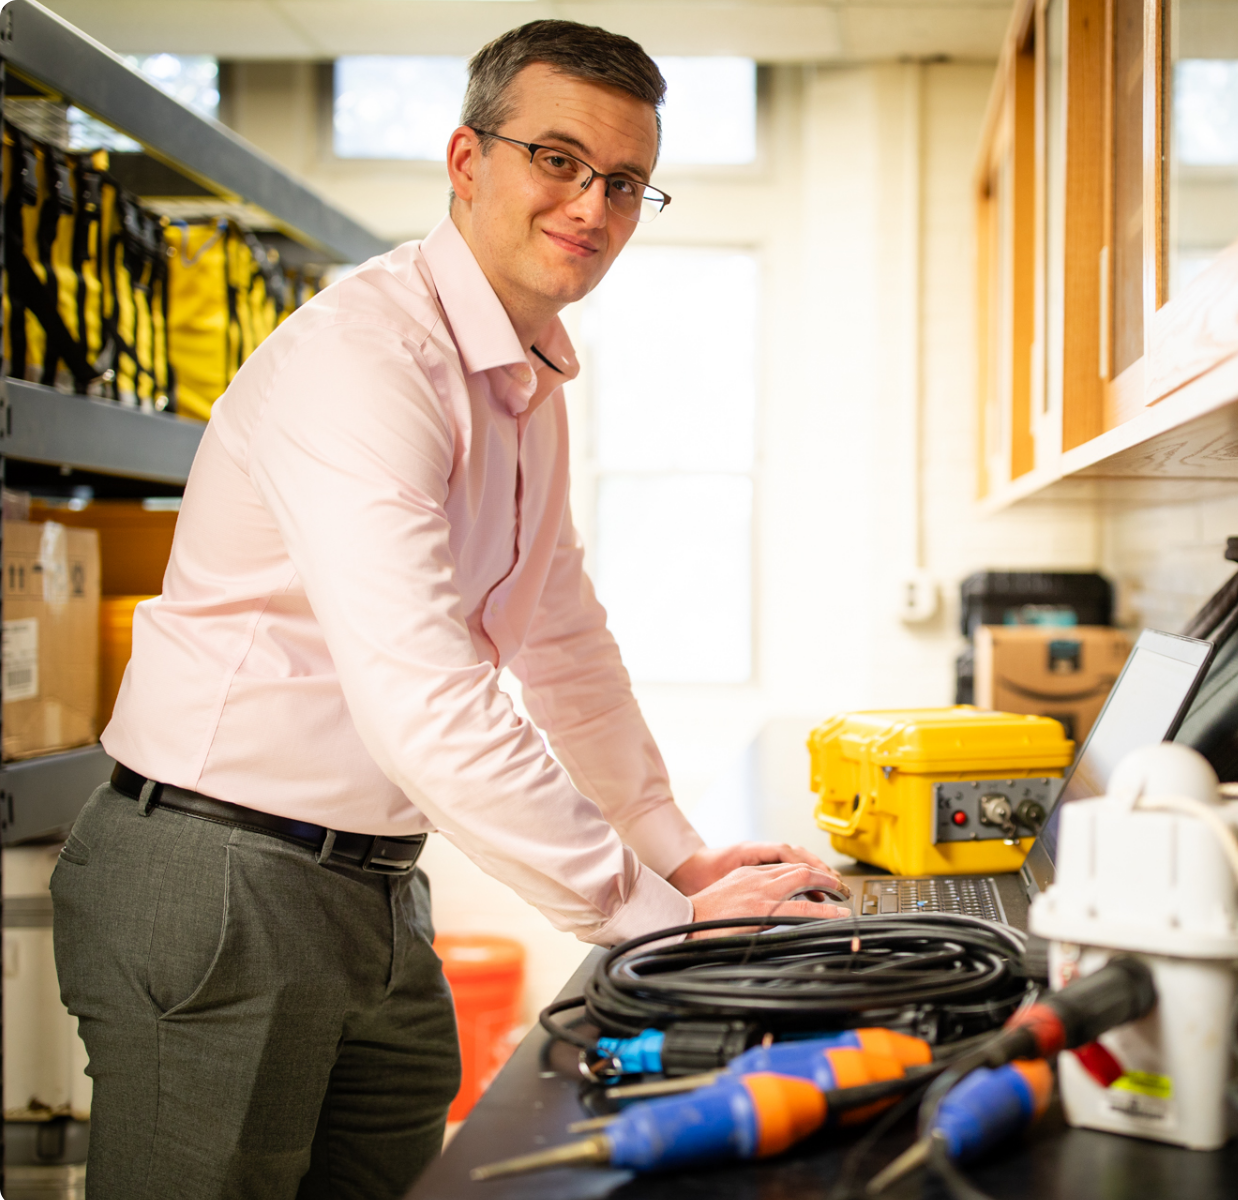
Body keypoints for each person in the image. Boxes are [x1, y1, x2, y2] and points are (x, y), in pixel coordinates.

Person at [51, 20, 848, 1200]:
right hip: (221, 875)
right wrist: (645, 917)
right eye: (559, 160)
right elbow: (425, 697)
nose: (593, 204)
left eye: (625, 182)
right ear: (466, 161)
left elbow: (561, 639)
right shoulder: (368, 361)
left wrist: (677, 860)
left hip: (372, 881)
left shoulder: (528, 377)